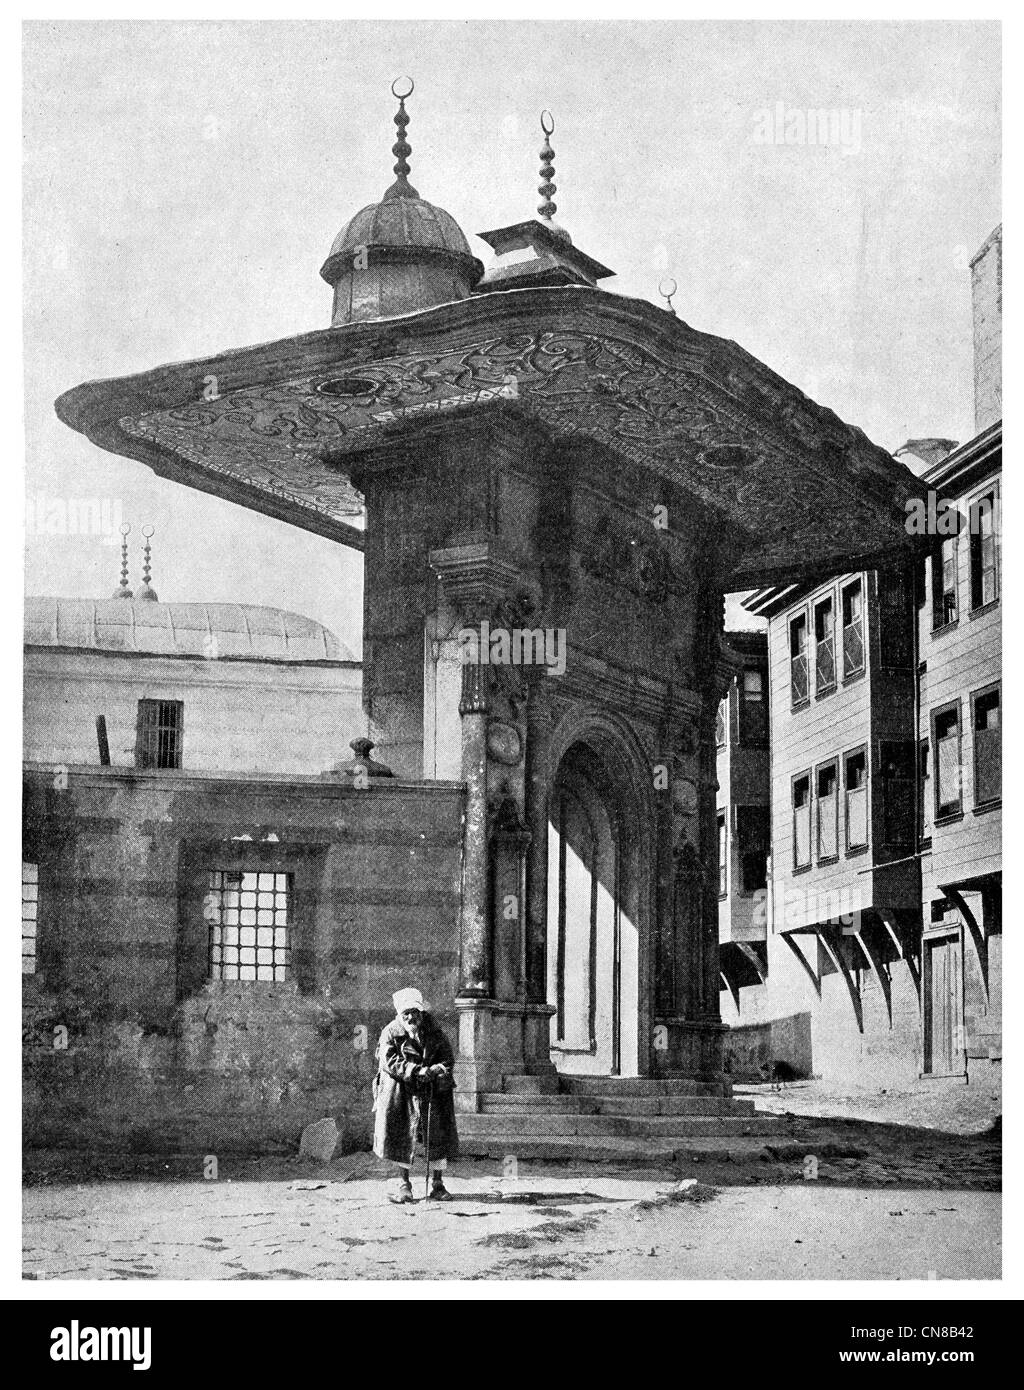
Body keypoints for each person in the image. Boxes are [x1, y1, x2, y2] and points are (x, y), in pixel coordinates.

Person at [372, 987, 458, 1203]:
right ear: (400, 1015)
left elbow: (448, 1057)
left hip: (433, 1090)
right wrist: (416, 1070)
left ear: (421, 1012)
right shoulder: (390, 1032)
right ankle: (404, 1185)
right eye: (406, 1013)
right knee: (403, 1136)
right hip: (402, 1091)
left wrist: (438, 1069)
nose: (411, 1017)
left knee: (438, 1135)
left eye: (415, 1012)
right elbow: (389, 1062)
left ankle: (437, 1184)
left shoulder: (435, 1031)